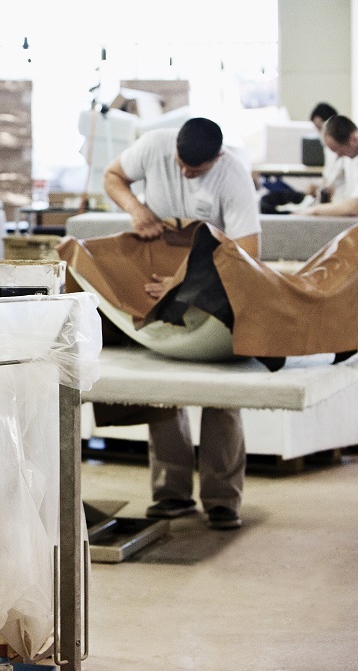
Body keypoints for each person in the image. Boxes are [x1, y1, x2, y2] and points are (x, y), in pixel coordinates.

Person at [99, 116, 262, 530]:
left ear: (218, 158)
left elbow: (248, 252)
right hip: (158, 277)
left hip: (215, 282)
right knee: (162, 386)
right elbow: (113, 175)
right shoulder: (154, 146)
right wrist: (136, 208)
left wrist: (187, 277)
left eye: (197, 169)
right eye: (182, 165)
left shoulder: (234, 177)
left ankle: (223, 498)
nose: (187, 173)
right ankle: (171, 493)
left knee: (220, 393)